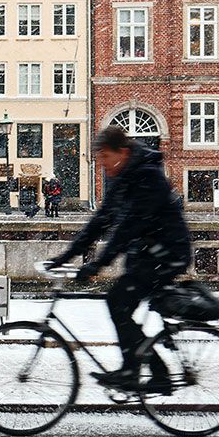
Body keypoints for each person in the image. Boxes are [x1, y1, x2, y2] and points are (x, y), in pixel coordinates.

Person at [45, 125, 192, 391]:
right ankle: (136, 371)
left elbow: (128, 229)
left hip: (167, 254)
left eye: (104, 158)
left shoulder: (147, 175)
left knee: (117, 304)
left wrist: (96, 266)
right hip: (148, 255)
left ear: (121, 152)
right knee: (120, 307)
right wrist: (66, 257)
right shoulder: (124, 176)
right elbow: (101, 220)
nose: (103, 165)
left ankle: (152, 374)